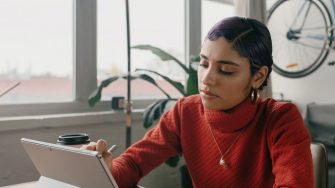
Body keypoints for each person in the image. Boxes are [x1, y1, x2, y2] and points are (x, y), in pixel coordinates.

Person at [81, 16, 313, 187]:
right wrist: (104, 168)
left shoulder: (281, 119)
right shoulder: (185, 112)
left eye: (225, 70)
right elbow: (133, 164)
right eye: (203, 64)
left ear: (258, 76)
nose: (207, 78)